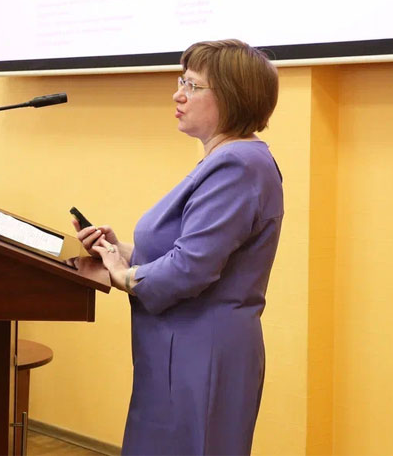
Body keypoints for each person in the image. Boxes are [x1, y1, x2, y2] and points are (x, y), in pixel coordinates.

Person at [75, 39, 282, 455]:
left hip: (202, 352)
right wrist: (119, 252)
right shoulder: (225, 161)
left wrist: (123, 276)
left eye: (193, 85)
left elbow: (190, 268)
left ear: (232, 97)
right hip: (182, 346)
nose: (178, 94)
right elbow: (188, 252)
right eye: (180, 81)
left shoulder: (238, 165)